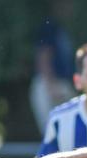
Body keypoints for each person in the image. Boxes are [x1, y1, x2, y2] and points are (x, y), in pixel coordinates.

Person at [30, 0, 75, 134]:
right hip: (50, 83)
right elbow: (44, 55)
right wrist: (50, 84)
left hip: (61, 83)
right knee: (50, 132)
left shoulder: (62, 28)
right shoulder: (50, 27)